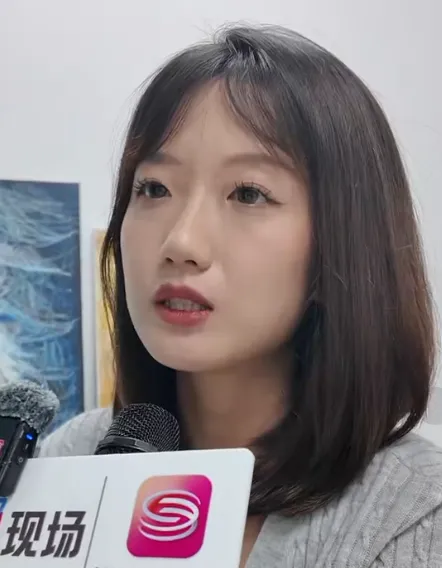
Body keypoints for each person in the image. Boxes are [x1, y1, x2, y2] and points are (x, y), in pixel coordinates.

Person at [39, 24, 442, 567]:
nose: (182, 243)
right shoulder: (68, 458)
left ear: (344, 244)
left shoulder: (413, 516)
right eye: (154, 188)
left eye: (248, 193)